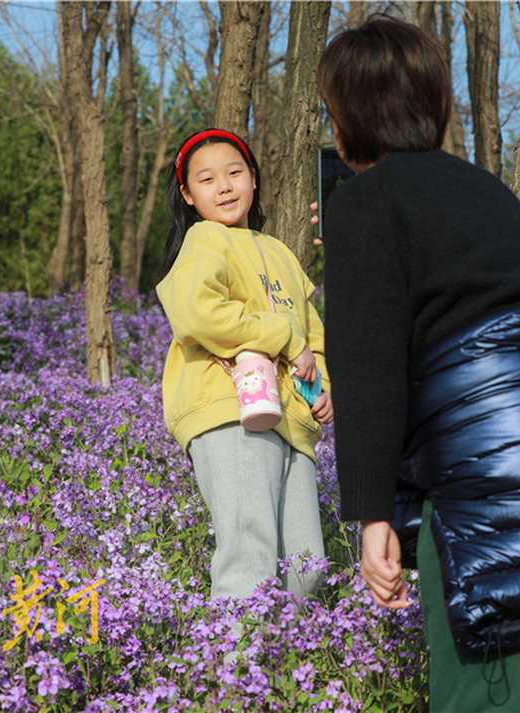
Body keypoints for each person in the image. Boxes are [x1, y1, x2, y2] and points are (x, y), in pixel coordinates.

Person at [317, 15, 520, 712]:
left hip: (482, 488)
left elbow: (368, 367)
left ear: (350, 117)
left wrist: (370, 516)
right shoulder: (486, 189)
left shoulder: (363, 201)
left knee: (489, 679)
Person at [155, 129, 333, 602]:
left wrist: (323, 385)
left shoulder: (279, 251)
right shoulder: (203, 240)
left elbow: (312, 331)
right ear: (190, 196)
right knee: (247, 558)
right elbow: (198, 312)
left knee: (307, 568)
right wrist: (283, 338)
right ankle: (231, 674)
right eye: (208, 179)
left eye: (235, 172)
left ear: (253, 179)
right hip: (230, 410)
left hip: (292, 420)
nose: (226, 186)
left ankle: (286, 667)